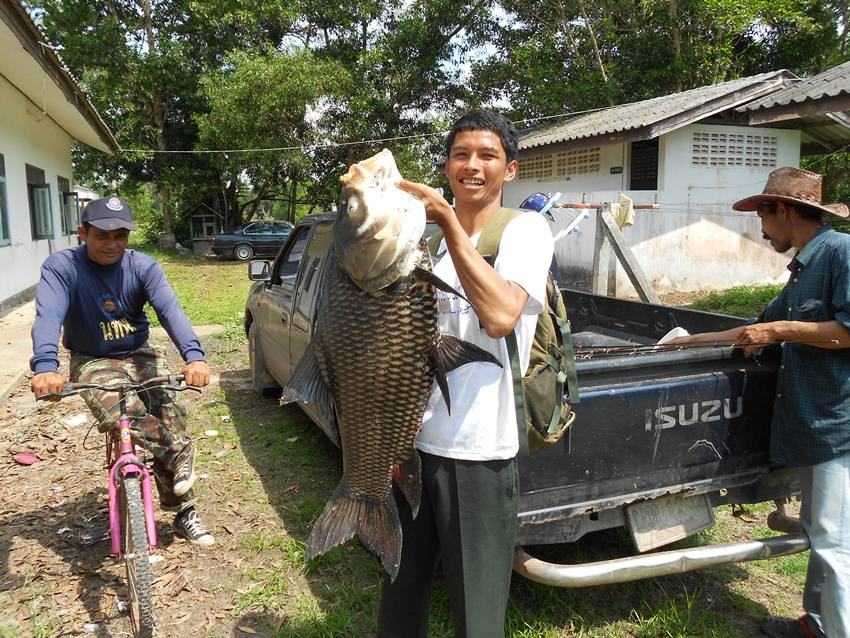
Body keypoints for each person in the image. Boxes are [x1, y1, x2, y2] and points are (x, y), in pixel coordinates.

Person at [377, 110, 554, 637]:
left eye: (487, 155)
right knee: (400, 595)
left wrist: (450, 222)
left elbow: (500, 318)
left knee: (476, 614)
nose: (472, 165)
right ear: (447, 164)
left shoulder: (526, 231)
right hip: (413, 446)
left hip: (480, 456)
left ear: (511, 169)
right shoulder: (425, 245)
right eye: (461, 154)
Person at [668, 167, 850, 638]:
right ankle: (816, 625)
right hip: (811, 424)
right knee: (819, 533)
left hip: (837, 423)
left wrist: (780, 332)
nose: (761, 228)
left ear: (783, 210)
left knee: (833, 542)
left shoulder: (841, 254)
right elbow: (756, 325)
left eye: (762, 217)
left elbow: (846, 332)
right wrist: (687, 344)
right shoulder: (803, 270)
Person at [30, 196, 215, 547]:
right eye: (102, 235)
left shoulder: (143, 267)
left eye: (121, 235)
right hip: (92, 357)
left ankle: (183, 512)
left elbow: (170, 310)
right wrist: (45, 367)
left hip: (140, 353)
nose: (113, 244)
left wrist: (194, 357)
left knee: (169, 416)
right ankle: (178, 452)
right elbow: (48, 314)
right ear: (83, 232)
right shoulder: (62, 267)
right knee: (123, 412)